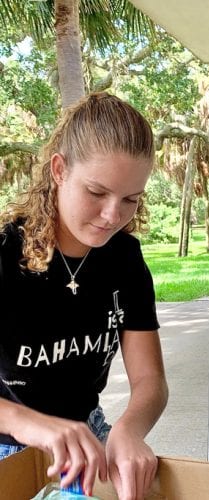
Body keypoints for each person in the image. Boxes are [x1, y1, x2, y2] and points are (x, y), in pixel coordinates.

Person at [0, 92, 168, 499]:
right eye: (97, 192)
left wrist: (128, 430)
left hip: (88, 435)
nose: (113, 215)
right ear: (59, 170)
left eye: (131, 199)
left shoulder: (124, 257)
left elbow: (151, 381)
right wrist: (30, 424)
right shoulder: (5, 257)